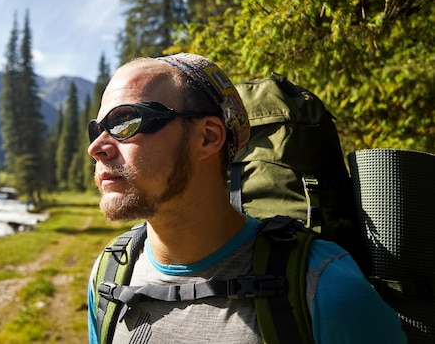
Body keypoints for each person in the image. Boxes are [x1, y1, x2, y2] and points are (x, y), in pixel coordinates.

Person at [86, 53, 406, 343]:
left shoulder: (325, 287)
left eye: (124, 122)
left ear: (208, 137)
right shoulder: (109, 276)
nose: (96, 147)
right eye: (97, 128)